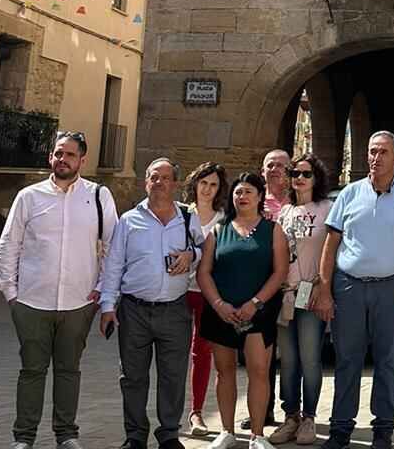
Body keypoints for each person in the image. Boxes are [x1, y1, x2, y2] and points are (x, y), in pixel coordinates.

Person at [0, 130, 118, 449]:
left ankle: (66, 434)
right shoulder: (29, 196)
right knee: (32, 370)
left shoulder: (99, 196)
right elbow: (8, 245)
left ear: (82, 160)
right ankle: (24, 438)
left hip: (79, 303)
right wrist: (11, 292)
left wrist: (103, 289)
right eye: (58, 153)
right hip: (31, 302)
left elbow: (112, 247)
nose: (62, 159)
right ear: (51, 156)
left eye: (70, 154)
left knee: (69, 370)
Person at [313, 131, 394, 449]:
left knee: (388, 360)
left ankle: (383, 429)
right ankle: (340, 428)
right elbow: (331, 242)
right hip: (349, 286)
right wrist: (325, 289)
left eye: (382, 152)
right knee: (347, 360)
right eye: (371, 151)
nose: (375, 158)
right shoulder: (350, 194)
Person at [98, 158, 201, 449]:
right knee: (132, 376)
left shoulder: (188, 218)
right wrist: (107, 307)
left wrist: (191, 255)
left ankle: (169, 434)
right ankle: (135, 436)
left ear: (176, 184)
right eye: (153, 177)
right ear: (146, 182)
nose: (159, 182)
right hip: (134, 310)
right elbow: (114, 265)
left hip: (175, 309)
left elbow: (206, 250)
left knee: (173, 376)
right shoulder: (129, 220)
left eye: (165, 178)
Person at [197, 172, 290, 449]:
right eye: (238, 192)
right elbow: (204, 273)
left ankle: (257, 435)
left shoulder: (273, 230)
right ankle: (227, 431)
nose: (243, 196)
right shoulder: (218, 230)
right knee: (224, 372)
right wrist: (219, 305)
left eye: (249, 191)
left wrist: (256, 303)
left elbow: (280, 271)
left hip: (258, 314)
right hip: (222, 313)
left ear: (260, 196)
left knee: (259, 371)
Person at [270, 153, 333, 445]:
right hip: (286, 294)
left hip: (312, 292)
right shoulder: (284, 212)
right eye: (295, 173)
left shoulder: (327, 209)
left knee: (310, 358)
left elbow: (335, 252)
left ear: (316, 178)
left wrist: (324, 288)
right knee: (289, 360)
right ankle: (290, 415)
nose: (299, 178)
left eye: (306, 174)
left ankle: (309, 417)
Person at [184, 161, 228, 437]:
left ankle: (196, 412)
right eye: (204, 183)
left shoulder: (224, 220)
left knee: (202, 354)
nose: (208, 189)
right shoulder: (180, 213)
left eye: (213, 184)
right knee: (175, 354)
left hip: (208, 294)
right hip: (178, 291)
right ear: (195, 184)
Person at [250, 149, 292, 430]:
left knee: (289, 352)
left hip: (290, 286)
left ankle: (294, 412)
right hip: (259, 286)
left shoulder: (298, 200)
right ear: (262, 170)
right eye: (270, 165)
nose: (275, 169)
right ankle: (262, 411)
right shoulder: (253, 200)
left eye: (281, 166)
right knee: (261, 351)